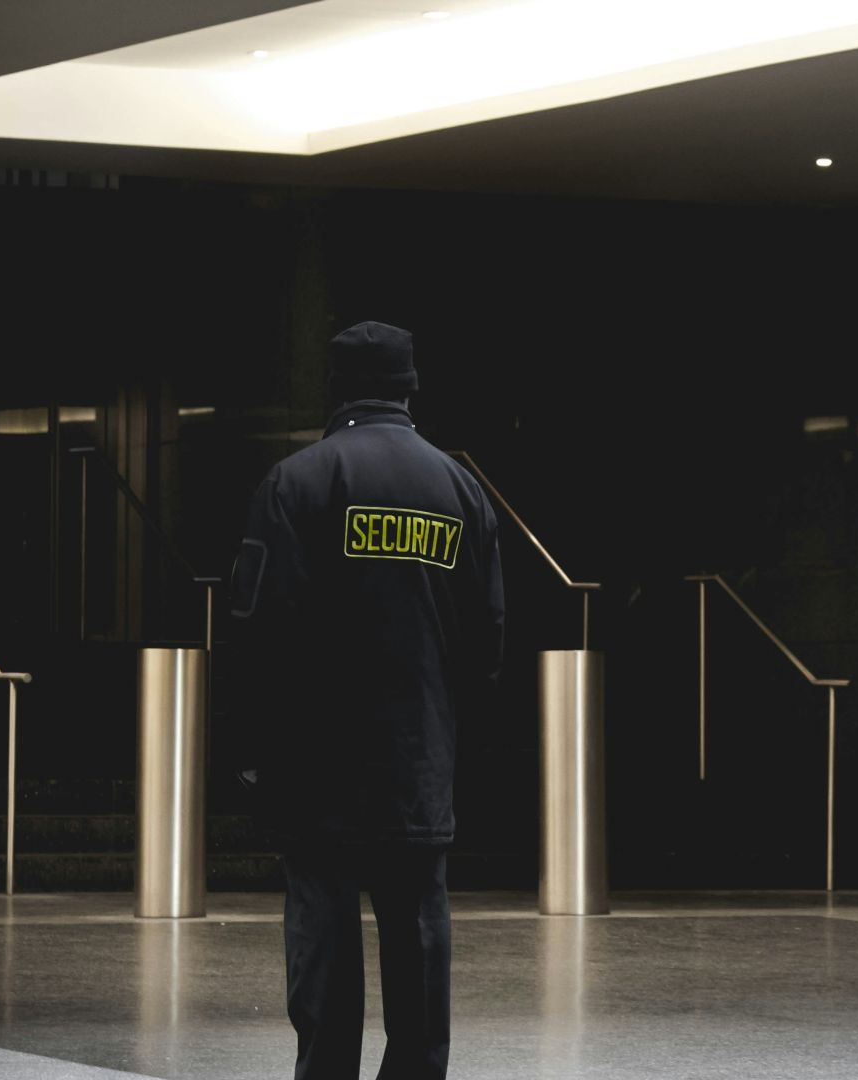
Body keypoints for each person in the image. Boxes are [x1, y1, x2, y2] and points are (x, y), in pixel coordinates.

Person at [229, 321, 504, 1079]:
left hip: (319, 775)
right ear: (410, 387)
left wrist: (257, 758)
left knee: (325, 948)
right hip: (419, 765)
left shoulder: (297, 482)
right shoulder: (462, 492)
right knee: (419, 941)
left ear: (336, 388)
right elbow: (488, 645)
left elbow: (257, 639)